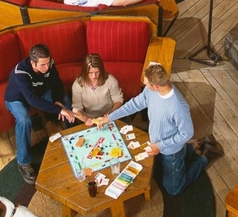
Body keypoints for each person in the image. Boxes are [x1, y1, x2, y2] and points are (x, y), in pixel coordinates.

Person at [94, 63, 222, 195]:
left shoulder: (178, 106)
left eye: (146, 83)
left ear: (155, 86)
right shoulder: (151, 91)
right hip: (157, 143)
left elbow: (186, 133)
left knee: (173, 189)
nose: (144, 84)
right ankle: (196, 145)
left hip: (170, 150)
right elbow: (135, 104)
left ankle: (206, 156)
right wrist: (109, 118)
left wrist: (160, 146)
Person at [4, 43, 77, 183]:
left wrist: (57, 101)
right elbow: (32, 100)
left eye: (48, 63)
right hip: (17, 100)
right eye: (43, 65)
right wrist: (59, 110)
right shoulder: (20, 73)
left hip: (40, 93)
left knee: (66, 102)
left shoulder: (49, 64)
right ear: (33, 63)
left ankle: (73, 136)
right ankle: (23, 162)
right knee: (24, 120)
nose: (47, 67)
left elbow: (56, 83)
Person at [70, 54, 123, 125]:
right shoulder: (77, 84)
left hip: (109, 115)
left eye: (97, 72)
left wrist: (110, 114)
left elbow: (118, 100)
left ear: (101, 70)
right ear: (85, 72)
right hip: (88, 117)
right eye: (90, 73)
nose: (94, 76)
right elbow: (77, 107)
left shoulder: (111, 80)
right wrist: (85, 119)